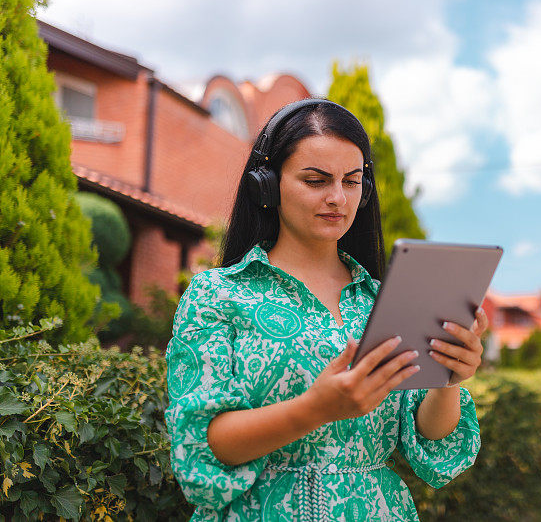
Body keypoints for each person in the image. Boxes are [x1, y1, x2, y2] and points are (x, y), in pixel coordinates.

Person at [165, 98, 488, 521]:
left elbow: (429, 439)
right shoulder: (218, 294)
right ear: (267, 184)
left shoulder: (385, 300)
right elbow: (203, 445)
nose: (338, 198)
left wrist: (448, 377)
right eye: (316, 180)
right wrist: (314, 409)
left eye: (352, 181)